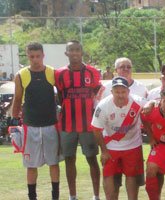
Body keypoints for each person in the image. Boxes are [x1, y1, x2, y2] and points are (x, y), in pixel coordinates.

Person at [55, 40, 103, 200]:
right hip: (67, 125)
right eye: (71, 50)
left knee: (92, 159)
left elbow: (97, 96)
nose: (74, 53)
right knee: (69, 159)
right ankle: (72, 196)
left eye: (77, 50)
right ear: (66, 53)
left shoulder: (92, 72)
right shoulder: (59, 73)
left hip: (88, 125)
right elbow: (61, 97)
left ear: (82, 53)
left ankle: (96, 195)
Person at [12, 42, 60, 200]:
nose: (35, 59)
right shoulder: (21, 75)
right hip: (30, 126)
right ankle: (32, 197)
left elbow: (62, 95)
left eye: (38, 56)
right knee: (31, 165)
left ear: (43, 56)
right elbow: (17, 100)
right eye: (32, 56)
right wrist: (13, 124)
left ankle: (55, 196)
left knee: (54, 162)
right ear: (28, 57)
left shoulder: (52, 72)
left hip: (51, 124)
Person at [91, 77, 146, 200]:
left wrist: (151, 105)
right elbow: (95, 129)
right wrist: (104, 151)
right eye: (117, 92)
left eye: (123, 92)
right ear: (112, 92)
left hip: (132, 145)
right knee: (109, 177)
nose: (120, 95)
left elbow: (152, 104)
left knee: (132, 177)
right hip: (111, 146)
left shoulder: (138, 102)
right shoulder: (103, 106)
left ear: (128, 91)